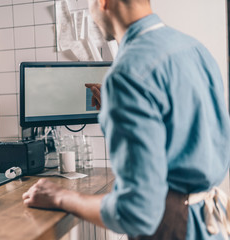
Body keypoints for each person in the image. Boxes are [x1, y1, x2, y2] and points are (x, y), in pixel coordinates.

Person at [22, 0, 230, 239]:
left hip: (172, 228)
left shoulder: (127, 72)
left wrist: (62, 196)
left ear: (102, 2)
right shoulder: (193, 48)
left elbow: (136, 212)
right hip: (209, 227)